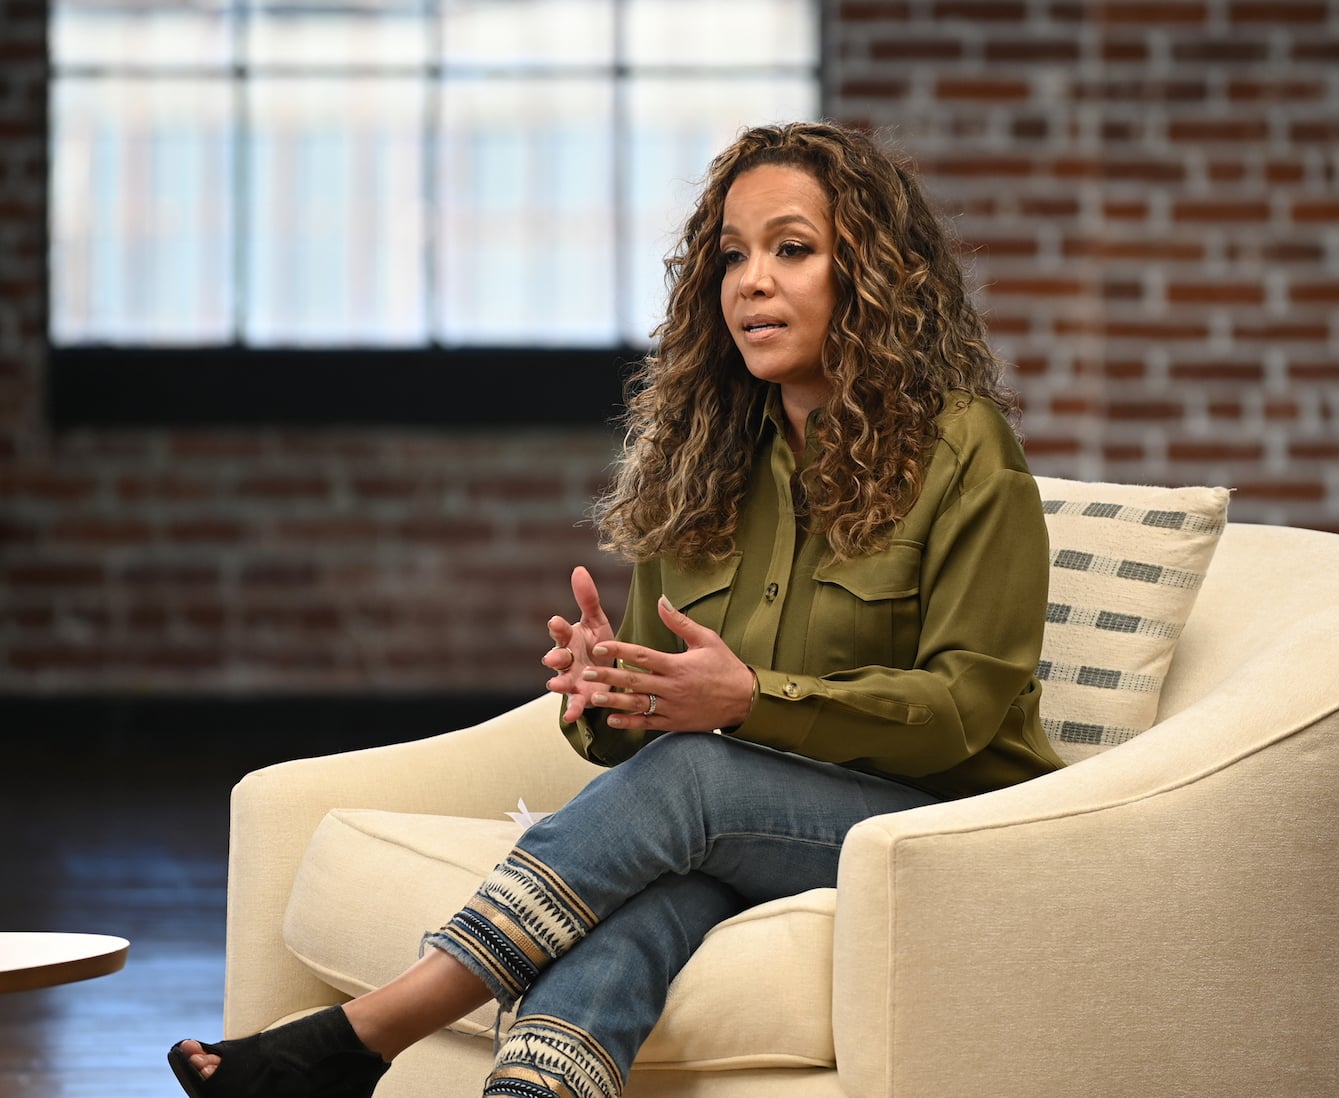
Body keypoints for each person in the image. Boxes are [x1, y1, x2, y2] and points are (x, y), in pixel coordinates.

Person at [168, 120, 1064, 1098]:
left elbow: (964, 708)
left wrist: (747, 701)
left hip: (938, 825)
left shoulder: (963, 447)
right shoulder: (706, 465)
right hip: (741, 820)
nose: (752, 283)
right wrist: (609, 692)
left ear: (874, 276)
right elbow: (655, 728)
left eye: (792, 249)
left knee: (697, 781)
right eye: (732, 257)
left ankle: (358, 1038)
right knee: (649, 897)